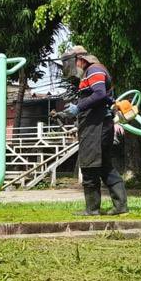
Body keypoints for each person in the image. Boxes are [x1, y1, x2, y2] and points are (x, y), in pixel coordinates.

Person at [58, 45, 129, 216]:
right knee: (105, 167)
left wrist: (78, 107)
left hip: (98, 126)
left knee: (89, 166)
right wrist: (74, 112)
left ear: (80, 59)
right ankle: (121, 206)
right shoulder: (90, 73)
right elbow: (93, 99)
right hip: (96, 124)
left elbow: (99, 94)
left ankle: (92, 209)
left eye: (70, 63)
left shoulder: (94, 70)